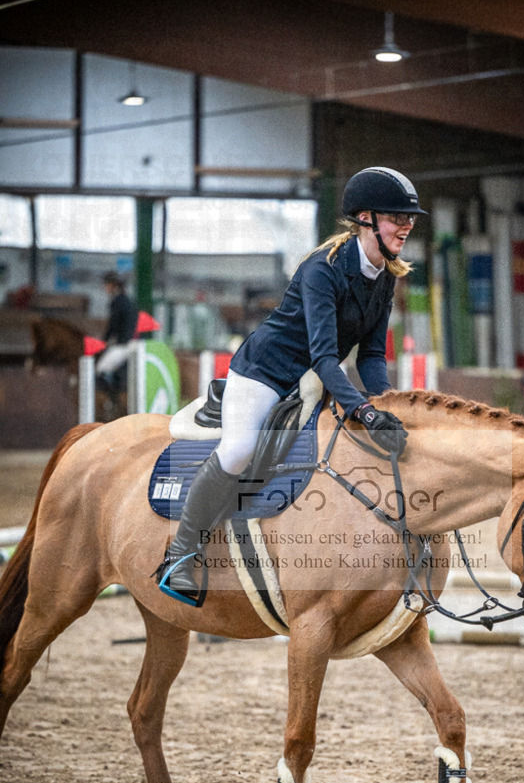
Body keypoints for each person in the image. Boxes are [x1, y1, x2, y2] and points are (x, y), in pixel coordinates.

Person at [158, 166, 428, 603]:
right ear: (365, 219)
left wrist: (385, 404)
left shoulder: (387, 276)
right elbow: (324, 356)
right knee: (241, 447)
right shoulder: (323, 270)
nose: (407, 225)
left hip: (316, 379)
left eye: (410, 218)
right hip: (268, 371)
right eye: (397, 217)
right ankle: (180, 554)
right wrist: (361, 409)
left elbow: (373, 356)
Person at [96, 271, 138, 397]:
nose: (105, 287)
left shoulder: (118, 302)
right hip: (129, 343)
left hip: (123, 345)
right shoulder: (126, 300)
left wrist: (103, 341)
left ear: (113, 285)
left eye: (107, 285)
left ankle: (112, 400)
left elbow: (112, 327)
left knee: (100, 370)